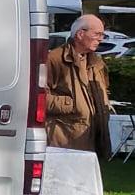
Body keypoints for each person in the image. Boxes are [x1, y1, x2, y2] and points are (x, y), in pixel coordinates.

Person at [47, 15, 112, 158]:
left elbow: (104, 91)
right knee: (63, 180)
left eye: (102, 34)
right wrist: (72, 104)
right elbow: (36, 97)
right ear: (80, 34)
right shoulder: (55, 59)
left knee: (87, 180)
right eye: (97, 34)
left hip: (91, 139)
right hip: (64, 141)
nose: (101, 39)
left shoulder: (97, 63)